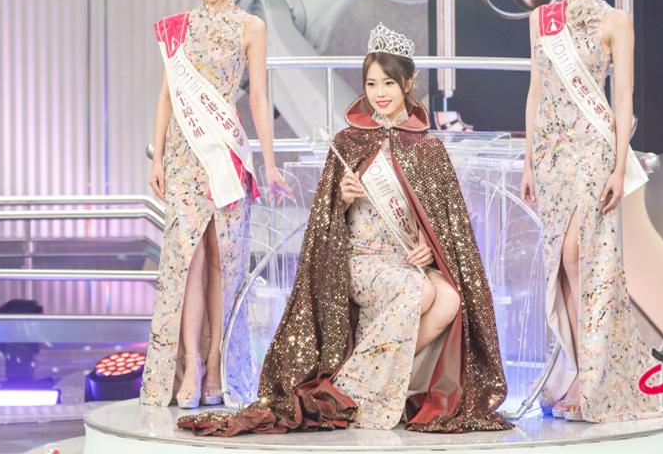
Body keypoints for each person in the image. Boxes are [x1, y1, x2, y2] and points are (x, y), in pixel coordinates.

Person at [179, 24, 511, 435]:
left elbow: (445, 223)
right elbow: (323, 222)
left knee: (449, 298)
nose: (380, 93)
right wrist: (343, 198)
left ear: (408, 84)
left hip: (405, 261)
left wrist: (429, 245)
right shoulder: (349, 142)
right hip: (360, 262)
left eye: (388, 83)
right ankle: (355, 390)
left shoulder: (428, 148)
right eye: (371, 84)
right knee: (421, 291)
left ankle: (363, 383)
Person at [521, 0, 663, 422]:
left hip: (593, 151)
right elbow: (536, 91)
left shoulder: (615, 21)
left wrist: (618, 166)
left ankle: (594, 380)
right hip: (551, 156)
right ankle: (578, 370)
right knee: (560, 266)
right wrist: (528, 163)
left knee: (582, 260)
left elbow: (623, 97)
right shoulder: (542, 20)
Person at [141, 0, 292, 409]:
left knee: (224, 262)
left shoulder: (251, 27)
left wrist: (269, 163)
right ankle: (191, 365)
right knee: (189, 262)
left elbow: (259, 98)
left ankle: (218, 361)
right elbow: (167, 96)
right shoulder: (177, 29)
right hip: (185, 160)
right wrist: (157, 155)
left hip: (226, 155)